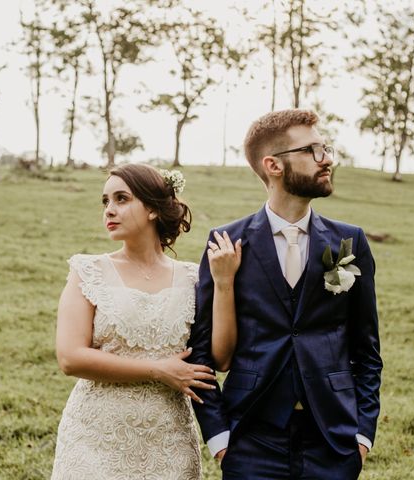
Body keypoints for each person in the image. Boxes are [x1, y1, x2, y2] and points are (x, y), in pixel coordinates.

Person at [188, 109, 383, 479]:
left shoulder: (349, 241)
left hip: (334, 439)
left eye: (324, 148)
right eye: (312, 150)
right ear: (273, 165)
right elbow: (201, 353)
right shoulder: (226, 242)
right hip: (250, 439)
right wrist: (219, 438)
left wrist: (362, 435)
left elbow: (367, 350)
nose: (326, 159)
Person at [51, 164, 236, 480]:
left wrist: (223, 284)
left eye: (121, 199)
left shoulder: (194, 278)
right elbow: (70, 358)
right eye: (105, 201)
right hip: (96, 438)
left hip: (169, 440)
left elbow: (221, 358)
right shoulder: (88, 271)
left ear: (152, 208)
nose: (109, 210)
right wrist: (158, 369)